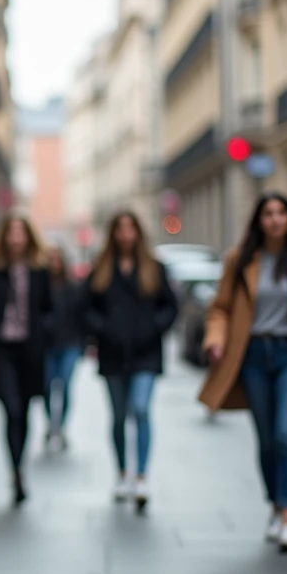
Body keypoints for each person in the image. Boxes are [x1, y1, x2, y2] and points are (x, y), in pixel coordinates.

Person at [198, 192, 287, 552]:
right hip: (252, 356)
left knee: (285, 435)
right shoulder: (239, 260)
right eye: (268, 213)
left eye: (281, 213)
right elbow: (220, 308)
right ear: (259, 221)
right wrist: (216, 341)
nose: (275, 219)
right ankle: (275, 505)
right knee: (266, 440)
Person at [81, 212, 178, 512]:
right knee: (119, 416)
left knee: (141, 408)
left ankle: (142, 476)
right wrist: (102, 330)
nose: (125, 235)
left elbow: (170, 306)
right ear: (113, 234)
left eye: (130, 229)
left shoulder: (154, 268)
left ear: (138, 233)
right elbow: (86, 307)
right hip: (112, 353)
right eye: (120, 229)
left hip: (145, 352)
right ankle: (122, 472)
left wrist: (153, 327)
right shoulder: (101, 268)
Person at [0, 214, 54, 505]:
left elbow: (49, 307)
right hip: (3, 349)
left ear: (28, 237)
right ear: (4, 236)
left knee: (25, 409)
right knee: (12, 408)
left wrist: (43, 330)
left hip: (31, 350)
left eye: (21, 232)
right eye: (11, 231)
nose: (16, 237)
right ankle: (16, 469)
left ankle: (20, 467)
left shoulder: (39, 270)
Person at [43, 247, 85, 451]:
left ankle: (62, 426)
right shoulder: (42, 287)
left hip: (70, 343)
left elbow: (81, 315)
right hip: (47, 345)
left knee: (65, 385)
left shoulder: (73, 287)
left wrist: (84, 343)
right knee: (47, 387)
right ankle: (51, 423)